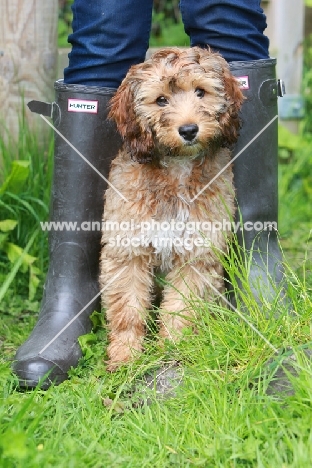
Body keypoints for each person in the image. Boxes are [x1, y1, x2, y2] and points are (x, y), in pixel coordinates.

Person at [12, 0, 286, 389]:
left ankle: (251, 275)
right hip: (140, 192)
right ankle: (73, 293)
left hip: (205, 196)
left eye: (202, 93)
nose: (187, 116)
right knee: (104, 28)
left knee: (228, 16)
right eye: (161, 100)